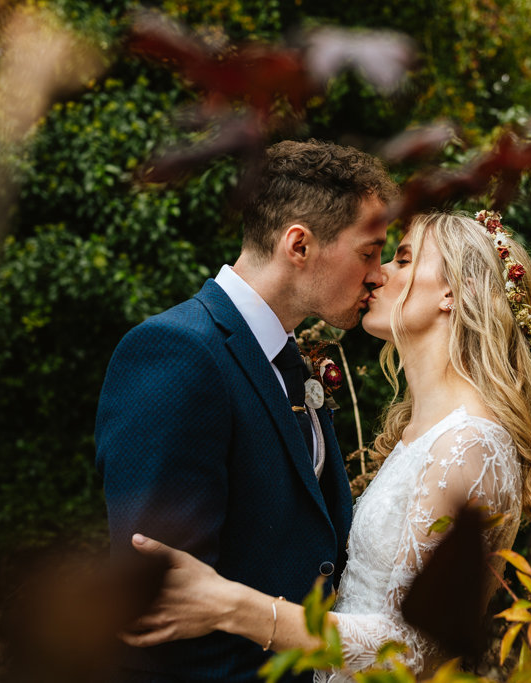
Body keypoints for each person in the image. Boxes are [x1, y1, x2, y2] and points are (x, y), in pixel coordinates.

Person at [120, 211, 531, 681]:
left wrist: (228, 604)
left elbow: (408, 648)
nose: (379, 273)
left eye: (404, 259)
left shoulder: (471, 444)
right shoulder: (426, 432)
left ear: (456, 292)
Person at [94, 139, 398, 682]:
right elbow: (165, 606)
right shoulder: (176, 353)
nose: (378, 274)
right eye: (369, 251)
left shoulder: (289, 361)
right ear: (298, 245)